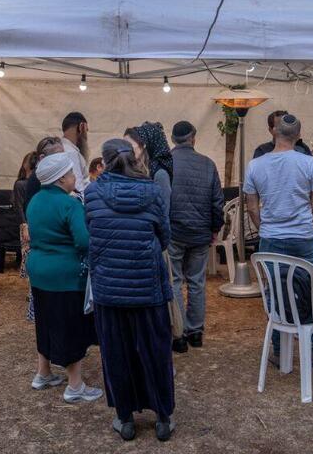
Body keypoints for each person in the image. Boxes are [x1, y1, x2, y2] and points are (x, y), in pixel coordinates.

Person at [85, 139, 175, 442]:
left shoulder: (92, 192)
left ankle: (124, 418)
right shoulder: (152, 191)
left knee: (116, 353)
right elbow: (164, 237)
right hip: (147, 285)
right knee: (155, 351)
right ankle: (163, 417)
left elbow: (91, 233)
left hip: (109, 287)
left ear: (105, 161)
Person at [243, 114, 313, 369]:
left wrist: (264, 227)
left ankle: (281, 351)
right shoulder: (308, 162)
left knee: (276, 292)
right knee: (312, 290)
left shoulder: (256, 165)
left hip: (272, 238)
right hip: (303, 237)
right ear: (298, 135)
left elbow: (251, 205)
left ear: (275, 133)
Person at [25, 153, 102, 404]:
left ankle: (43, 373)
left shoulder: (35, 201)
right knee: (71, 327)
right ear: (60, 179)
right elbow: (83, 241)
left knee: (45, 322)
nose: (73, 177)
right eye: (71, 174)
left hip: (39, 271)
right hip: (65, 275)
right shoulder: (70, 205)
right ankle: (75, 386)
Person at [166, 121, 224, 354]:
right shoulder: (208, 164)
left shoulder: (165, 164)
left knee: (176, 282)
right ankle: (196, 332)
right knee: (197, 282)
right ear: (194, 138)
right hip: (200, 233)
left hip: (174, 232)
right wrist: (215, 228)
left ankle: (178, 335)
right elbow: (217, 201)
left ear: (173, 139)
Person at [22, 136, 66, 321]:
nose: (61, 159)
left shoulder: (55, 177)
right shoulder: (37, 180)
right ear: (42, 158)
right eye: (57, 155)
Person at [125, 123, 173, 212]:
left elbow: (163, 211)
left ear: (143, 145)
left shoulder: (160, 174)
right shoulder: (132, 169)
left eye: (129, 146)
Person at [13, 151, 37, 322]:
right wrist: (24, 226)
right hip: (28, 226)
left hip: (31, 225)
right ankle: (31, 291)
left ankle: (33, 291)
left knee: (30, 258)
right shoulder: (21, 184)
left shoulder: (26, 184)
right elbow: (19, 207)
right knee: (29, 258)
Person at [61, 112, 90, 195]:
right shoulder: (71, 152)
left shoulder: (61, 147)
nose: (86, 136)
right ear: (81, 127)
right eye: (86, 130)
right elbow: (78, 189)